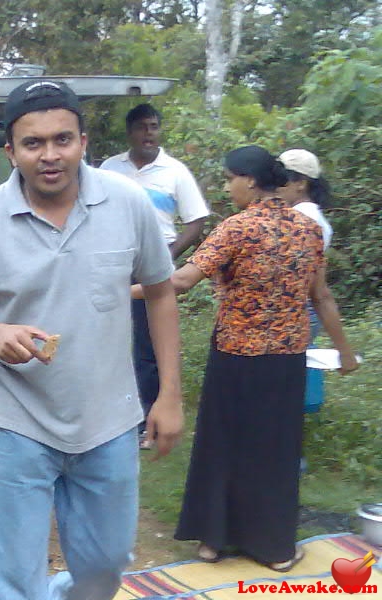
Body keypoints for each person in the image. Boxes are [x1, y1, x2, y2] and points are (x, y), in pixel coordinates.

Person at [0, 80, 184, 600]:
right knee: (9, 578)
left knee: (106, 566)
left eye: (62, 139)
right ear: (11, 150)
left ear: (83, 141)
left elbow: (161, 294)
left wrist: (169, 395)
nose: (50, 155)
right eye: (33, 143)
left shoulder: (127, 203)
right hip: (18, 422)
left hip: (110, 421)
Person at [134, 146, 358, 572]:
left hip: (236, 355)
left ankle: (213, 543)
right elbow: (322, 296)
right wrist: (345, 352)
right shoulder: (307, 229)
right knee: (274, 451)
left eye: (228, 178)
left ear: (250, 181)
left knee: (224, 447)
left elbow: (180, 281)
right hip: (286, 360)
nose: (225, 187)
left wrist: (121, 292)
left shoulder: (237, 228)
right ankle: (274, 547)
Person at [100, 103, 209, 448]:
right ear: (130, 132)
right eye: (142, 127)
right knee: (109, 338)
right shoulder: (109, 168)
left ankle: (148, 422)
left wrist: (166, 257)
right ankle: (110, 415)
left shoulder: (175, 171)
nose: (149, 134)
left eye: (154, 127)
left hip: (154, 263)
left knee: (149, 346)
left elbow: (196, 222)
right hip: (113, 261)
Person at [278, 148, 334, 341]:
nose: (275, 186)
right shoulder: (309, 216)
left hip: (298, 304)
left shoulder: (303, 219)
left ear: (301, 183)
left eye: (281, 180)